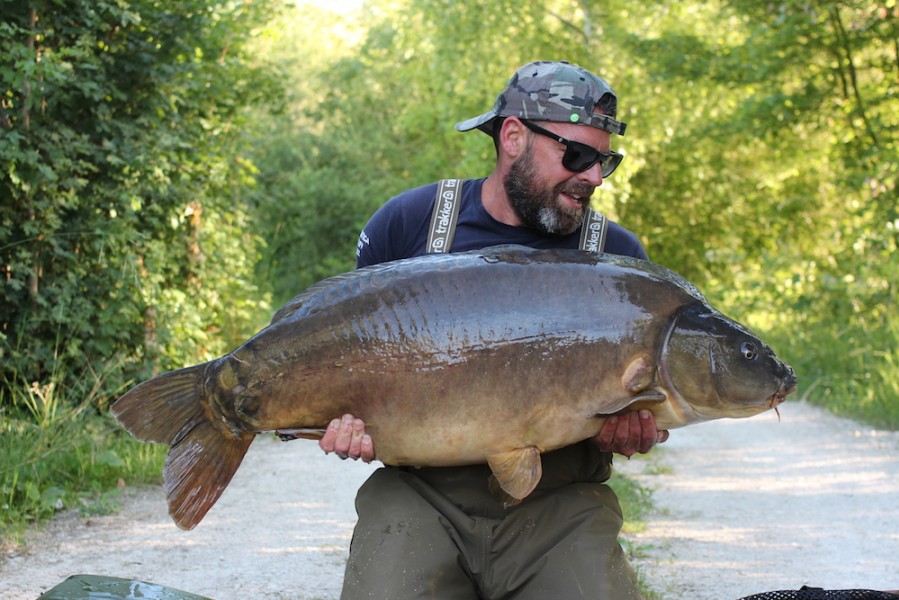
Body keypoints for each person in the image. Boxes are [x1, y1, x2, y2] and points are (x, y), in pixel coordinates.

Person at [321, 60, 668, 599]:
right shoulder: (407, 224)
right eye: (576, 155)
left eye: (605, 161)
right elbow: (348, 360)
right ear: (513, 137)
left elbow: (639, 405)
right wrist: (343, 421)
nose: (593, 177)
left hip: (560, 504)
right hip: (419, 493)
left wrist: (630, 429)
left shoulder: (618, 261)